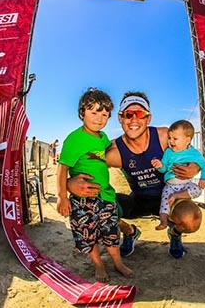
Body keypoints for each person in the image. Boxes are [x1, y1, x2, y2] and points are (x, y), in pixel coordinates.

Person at [67, 92, 202, 259]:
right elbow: (86, 166)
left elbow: (190, 151)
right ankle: (130, 232)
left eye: (140, 114)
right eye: (128, 114)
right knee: (99, 209)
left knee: (191, 219)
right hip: (138, 199)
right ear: (120, 118)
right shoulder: (114, 150)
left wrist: (195, 167)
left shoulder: (163, 136)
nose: (134, 120)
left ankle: (174, 233)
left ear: (148, 118)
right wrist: (69, 183)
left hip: (170, 197)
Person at [56, 88, 133, 282]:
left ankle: (118, 262)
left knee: (111, 232)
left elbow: (111, 153)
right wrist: (63, 197)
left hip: (106, 196)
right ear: (82, 113)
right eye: (94, 112)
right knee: (88, 235)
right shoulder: (74, 139)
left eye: (105, 114)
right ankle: (98, 264)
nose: (99, 118)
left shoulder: (104, 138)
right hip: (82, 200)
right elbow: (62, 168)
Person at [151, 120, 205, 230]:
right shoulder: (168, 152)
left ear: (187, 140)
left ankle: (178, 196)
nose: (171, 141)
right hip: (170, 186)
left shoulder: (194, 153)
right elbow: (164, 169)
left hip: (186, 184)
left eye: (175, 139)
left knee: (198, 189)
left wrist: (204, 178)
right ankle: (163, 222)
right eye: (169, 138)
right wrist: (159, 165)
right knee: (165, 202)